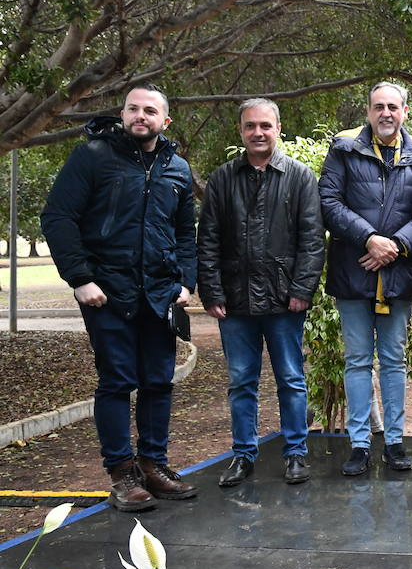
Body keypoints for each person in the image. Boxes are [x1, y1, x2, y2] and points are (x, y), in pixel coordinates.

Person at [40, 84, 197, 511]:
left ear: (165, 121)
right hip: (106, 293)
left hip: (159, 294)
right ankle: (122, 474)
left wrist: (186, 281)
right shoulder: (93, 157)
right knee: (116, 382)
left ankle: (153, 466)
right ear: (123, 113)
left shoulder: (177, 168)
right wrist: (79, 278)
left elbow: (186, 233)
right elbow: (58, 218)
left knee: (158, 383)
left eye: (149, 111)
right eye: (133, 109)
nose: (139, 116)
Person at [199, 98, 325, 487]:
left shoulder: (300, 177)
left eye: (265, 126)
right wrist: (212, 291)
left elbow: (312, 240)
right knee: (241, 381)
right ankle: (242, 454)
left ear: (278, 129)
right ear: (241, 131)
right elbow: (208, 240)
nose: (258, 132)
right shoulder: (222, 179)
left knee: (291, 377)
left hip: (286, 300)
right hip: (235, 302)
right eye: (251, 126)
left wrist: (302, 288)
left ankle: (296, 453)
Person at [320, 81, 412, 476]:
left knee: (393, 360)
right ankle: (358, 444)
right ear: (368, 111)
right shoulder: (343, 149)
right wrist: (369, 238)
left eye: (393, 106)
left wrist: (397, 245)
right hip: (353, 270)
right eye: (378, 106)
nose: (386, 113)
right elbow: (328, 202)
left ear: (406, 110)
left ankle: (396, 442)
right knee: (356, 360)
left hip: (399, 272)